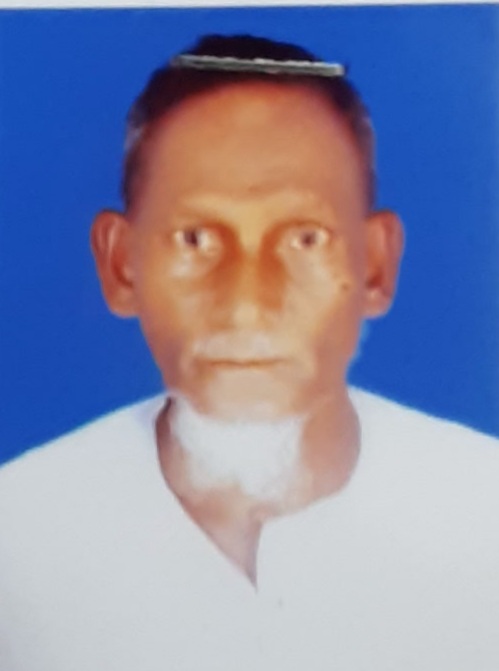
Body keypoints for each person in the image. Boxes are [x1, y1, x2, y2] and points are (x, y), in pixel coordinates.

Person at [0, 34, 498, 671]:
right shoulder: (19, 534)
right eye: (196, 239)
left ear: (375, 265)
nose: (245, 306)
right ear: (121, 264)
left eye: (305, 239)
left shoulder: (484, 512)